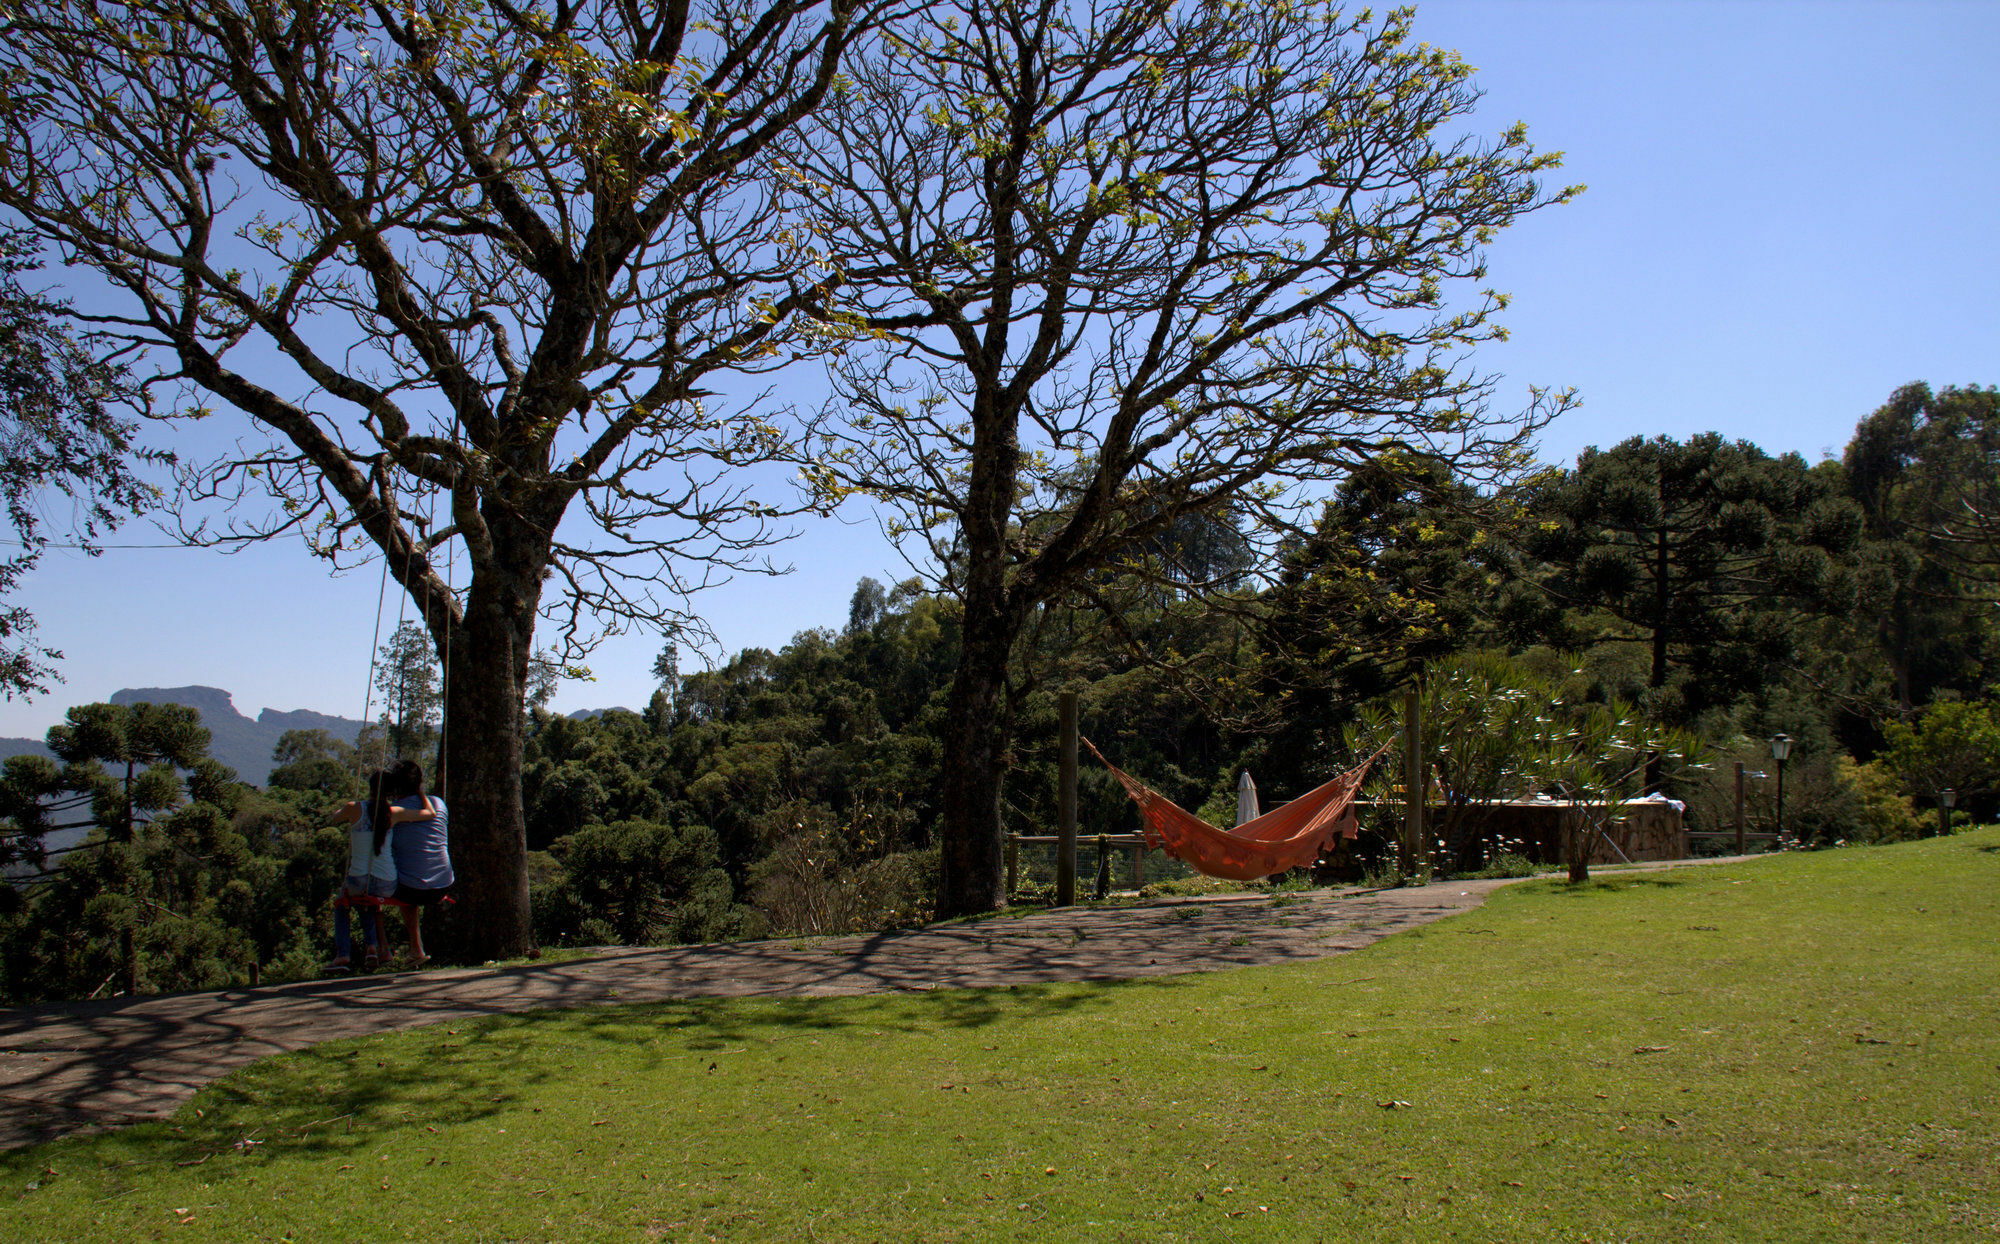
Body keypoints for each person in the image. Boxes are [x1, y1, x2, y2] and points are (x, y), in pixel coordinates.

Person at [321, 769, 432, 973]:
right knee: (369, 898)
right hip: (387, 883)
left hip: (358, 881)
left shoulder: (354, 808)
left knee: (342, 902)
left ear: (370, 788)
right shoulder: (394, 812)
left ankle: (344, 954)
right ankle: (372, 948)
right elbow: (429, 813)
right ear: (391, 791)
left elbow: (334, 818)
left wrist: (347, 811)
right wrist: (421, 792)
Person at [384, 757, 453, 965]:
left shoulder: (394, 810)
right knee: (413, 874)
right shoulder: (439, 804)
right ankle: (415, 950)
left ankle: (383, 951)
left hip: (412, 888)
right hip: (444, 884)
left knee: (377, 887)